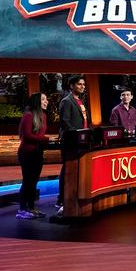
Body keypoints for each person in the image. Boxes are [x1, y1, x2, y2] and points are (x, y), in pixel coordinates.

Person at [57, 75, 88, 216]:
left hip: (82, 142)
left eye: (83, 84)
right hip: (71, 142)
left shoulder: (80, 101)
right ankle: (62, 199)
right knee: (68, 170)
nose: (82, 86)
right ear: (71, 86)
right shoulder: (66, 101)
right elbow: (65, 122)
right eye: (79, 84)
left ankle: (73, 197)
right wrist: (77, 135)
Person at [16, 93, 50, 219]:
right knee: (27, 181)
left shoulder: (43, 116)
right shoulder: (28, 115)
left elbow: (39, 136)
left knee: (34, 181)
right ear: (36, 101)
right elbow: (27, 135)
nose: (46, 101)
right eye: (43, 99)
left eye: (46, 99)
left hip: (38, 152)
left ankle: (31, 207)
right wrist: (44, 139)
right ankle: (22, 209)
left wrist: (44, 140)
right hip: (27, 153)